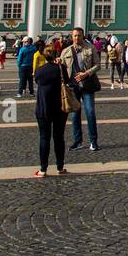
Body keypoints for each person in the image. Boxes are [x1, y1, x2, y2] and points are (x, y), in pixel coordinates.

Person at [32, 49, 70, 177]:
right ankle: (60, 167)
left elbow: (37, 80)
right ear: (56, 55)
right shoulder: (61, 69)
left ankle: (43, 169)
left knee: (44, 138)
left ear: (43, 56)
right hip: (60, 108)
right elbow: (67, 81)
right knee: (59, 137)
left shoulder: (39, 71)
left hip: (43, 108)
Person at [62, 28, 100, 151]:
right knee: (75, 115)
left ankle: (93, 141)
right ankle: (78, 141)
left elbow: (97, 65)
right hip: (73, 87)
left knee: (90, 112)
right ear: (71, 36)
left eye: (79, 35)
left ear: (83, 36)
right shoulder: (66, 51)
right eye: (74, 36)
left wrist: (86, 74)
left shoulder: (90, 48)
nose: (76, 38)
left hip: (87, 85)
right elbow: (61, 67)